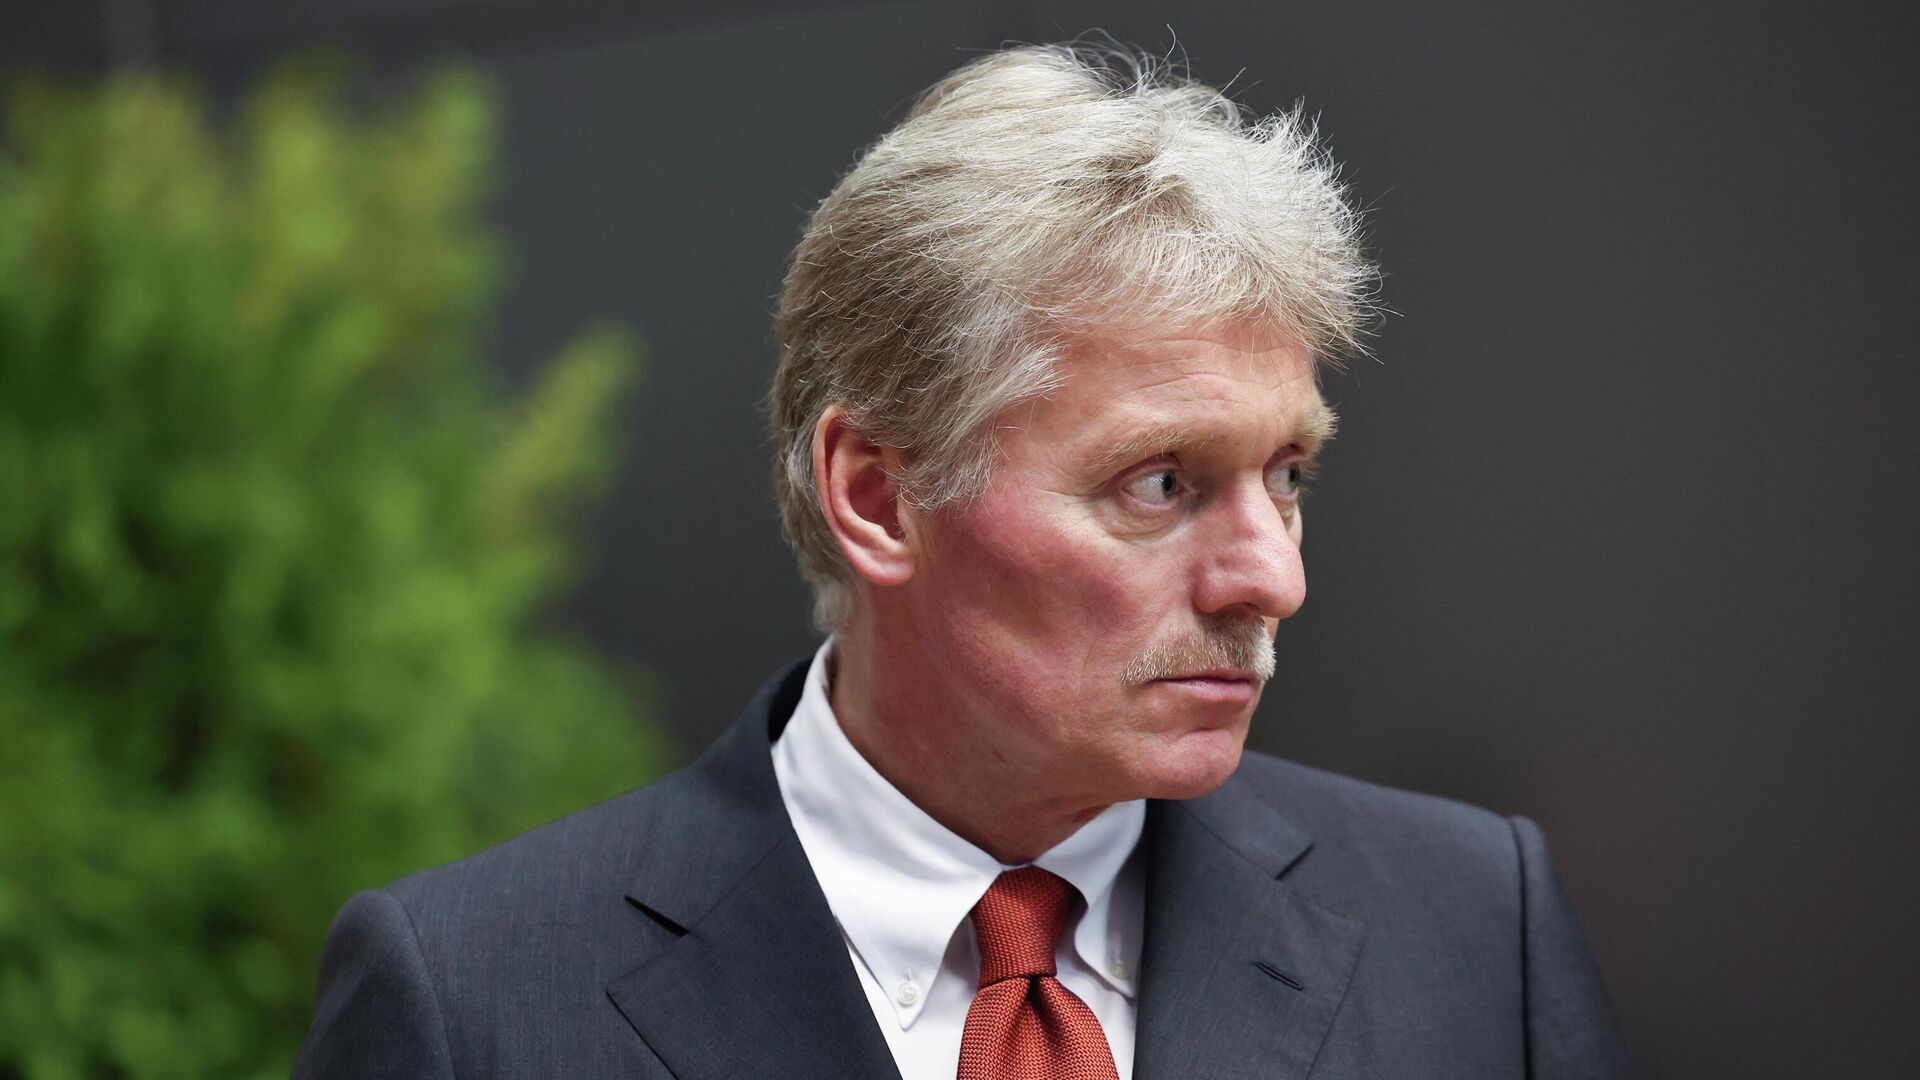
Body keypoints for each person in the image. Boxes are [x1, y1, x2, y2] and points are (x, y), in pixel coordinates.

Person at [294, 44, 1630, 1079]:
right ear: (878, 497)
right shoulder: (473, 1004)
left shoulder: (1473, 931)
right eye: (1161, 484)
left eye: (1288, 476)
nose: (1270, 579)